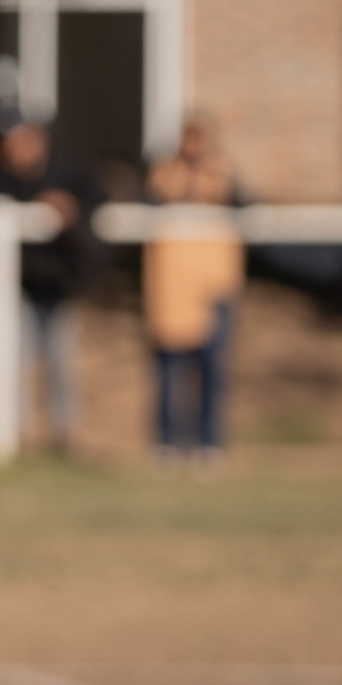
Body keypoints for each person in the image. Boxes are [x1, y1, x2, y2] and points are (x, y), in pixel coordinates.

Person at [0, 106, 103, 455]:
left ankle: (63, 433)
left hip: (60, 285)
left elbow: (97, 211)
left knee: (60, 359)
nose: (14, 149)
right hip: (16, 286)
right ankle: (13, 432)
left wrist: (70, 210)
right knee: (15, 357)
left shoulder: (73, 173)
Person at [143, 116, 243, 468]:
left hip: (214, 285)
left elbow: (246, 208)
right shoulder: (161, 178)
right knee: (170, 369)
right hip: (172, 285)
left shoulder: (224, 177)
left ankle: (209, 443)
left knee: (213, 369)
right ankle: (168, 443)